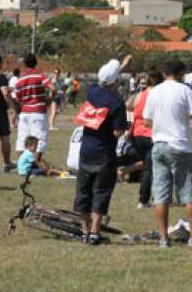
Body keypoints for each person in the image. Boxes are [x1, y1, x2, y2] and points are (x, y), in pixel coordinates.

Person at [142, 59, 192, 248]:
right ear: (180, 73)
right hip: (180, 146)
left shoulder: (154, 92)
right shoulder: (184, 90)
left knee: (161, 194)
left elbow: (146, 121)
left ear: (164, 73)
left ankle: (163, 238)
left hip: (159, 145)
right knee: (189, 193)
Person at [75, 56, 130, 246]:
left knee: (84, 192)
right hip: (105, 153)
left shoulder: (92, 92)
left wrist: (120, 67)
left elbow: (107, 79)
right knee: (101, 192)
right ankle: (95, 232)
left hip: (86, 150)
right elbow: (117, 132)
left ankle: (83, 231)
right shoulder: (117, 103)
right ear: (115, 82)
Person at [13, 53, 53, 166]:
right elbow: (53, 88)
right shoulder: (40, 76)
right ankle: (36, 163)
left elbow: (17, 97)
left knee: (22, 140)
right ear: (36, 63)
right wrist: (49, 100)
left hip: (25, 112)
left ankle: (22, 164)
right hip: (39, 112)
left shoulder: (20, 80)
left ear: (24, 64)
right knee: (39, 138)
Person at [129, 70, 161, 209]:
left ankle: (150, 197)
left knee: (146, 166)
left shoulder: (139, 95)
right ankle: (144, 200)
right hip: (152, 134)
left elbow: (128, 106)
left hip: (137, 135)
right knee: (150, 169)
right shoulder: (158, 94)